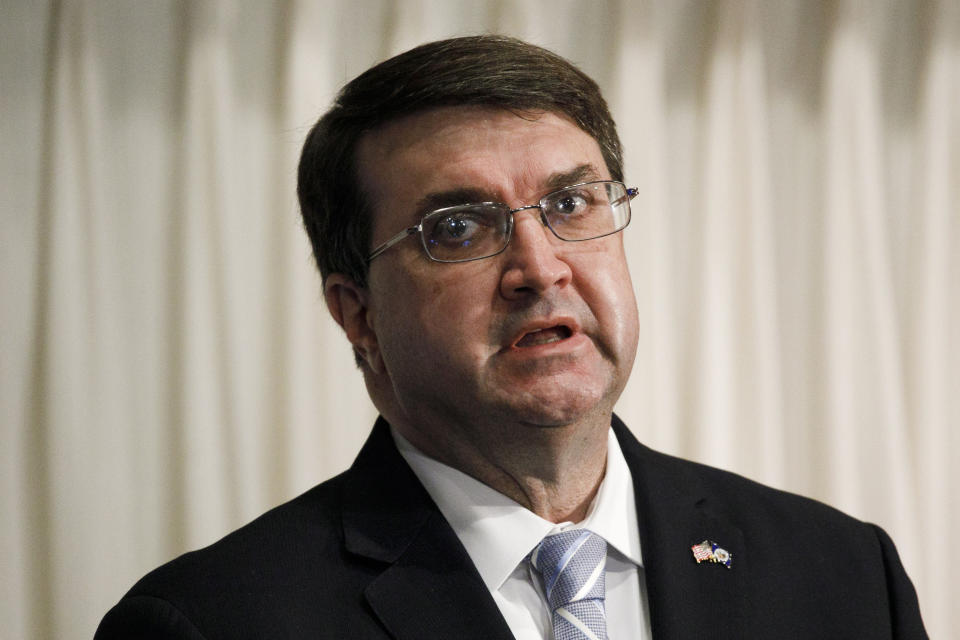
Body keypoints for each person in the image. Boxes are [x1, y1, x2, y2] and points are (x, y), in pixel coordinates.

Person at [96, 35, 927, 639]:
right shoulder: (211, 622)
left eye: (571, 206)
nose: (540, 266)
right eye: (458, 227)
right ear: (357, 313)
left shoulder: (844, 576)